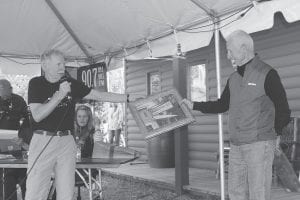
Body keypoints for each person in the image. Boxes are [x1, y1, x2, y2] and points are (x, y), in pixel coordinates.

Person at [183, 30, 291, 200]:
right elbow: (222, 105)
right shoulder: (233, 78)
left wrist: (276, 133)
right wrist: (194, 104)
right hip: (236, 146)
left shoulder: (268, 74)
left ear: (243, 49)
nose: (227, 55)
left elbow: (283, 109)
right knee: (235, 192)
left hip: (259, 144)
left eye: (229, 50)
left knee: (259, 193)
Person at [25, 49, 130, 200]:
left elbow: (99, 95)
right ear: (44, 65)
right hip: (43, 140)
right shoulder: (36, 83)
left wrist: (127, 98)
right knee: (36, 191)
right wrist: (60, 95)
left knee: (66, 191)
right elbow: (38, 115)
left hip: (67, 141)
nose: (63, 67)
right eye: (59, 64)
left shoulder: (70, 84)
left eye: (64, 63)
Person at [0, 79, 28, 200]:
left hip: (18, 143)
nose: (7, 94)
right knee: (6, 179)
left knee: (23, 177)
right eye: (3, 92)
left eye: (9, 90)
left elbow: (27, 119)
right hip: (1, 145)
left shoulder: (18, 100)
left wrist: (23, 136)